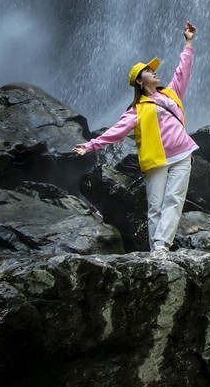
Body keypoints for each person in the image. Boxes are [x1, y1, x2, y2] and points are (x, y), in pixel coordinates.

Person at [73, 22, 199, 252]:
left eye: (154, 70)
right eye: (149, 71)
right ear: (140, 81)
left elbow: (184, 70)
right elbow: (116, 132)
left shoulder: (171, 93)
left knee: (175, 200)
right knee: (155, 207)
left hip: (183, 153)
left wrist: (188, 42)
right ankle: (156, 250)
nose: (155, 72)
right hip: (156, 159)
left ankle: (162, 246)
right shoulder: (136, 110)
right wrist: (90, 146)